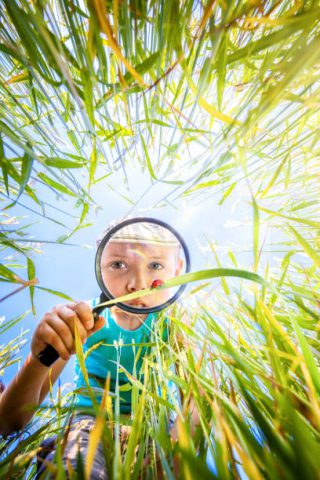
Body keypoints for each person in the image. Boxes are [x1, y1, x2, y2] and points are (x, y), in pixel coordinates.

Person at [0, 219, 190, 478]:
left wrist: (177, 446)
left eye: (155, 265)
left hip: (158, 429)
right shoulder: (83, 319)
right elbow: (8, 421)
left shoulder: (175, 323)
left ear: (178, 270)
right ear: (100, 269)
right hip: (89, 424)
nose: (137, 283)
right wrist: (38, 359)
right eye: (118, 265)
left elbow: (195, 397)